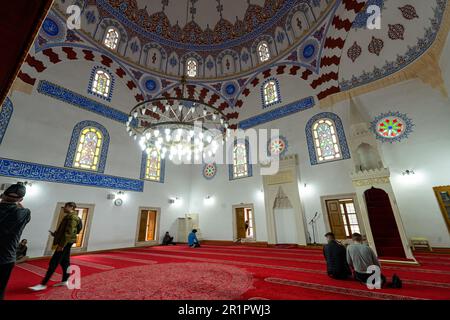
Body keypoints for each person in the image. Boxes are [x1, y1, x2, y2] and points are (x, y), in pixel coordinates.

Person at [29, 202, 81, 291]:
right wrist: (56, 235)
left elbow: (69, 232)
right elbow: (75, 230)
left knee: (54, 262)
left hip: (65, 243)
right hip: (67, 242)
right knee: (65, 262)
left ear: (71, 207)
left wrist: (61, 245)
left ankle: (43, 284)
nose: (64, 208)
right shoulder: (74, 217)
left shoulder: (72, 217)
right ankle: (65, 280)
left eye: (65, 207)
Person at [0, 183, 31, 300]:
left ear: (3, 195)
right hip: (6, 258)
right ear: (21, 199)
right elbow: (24, 212)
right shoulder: (24, 213)